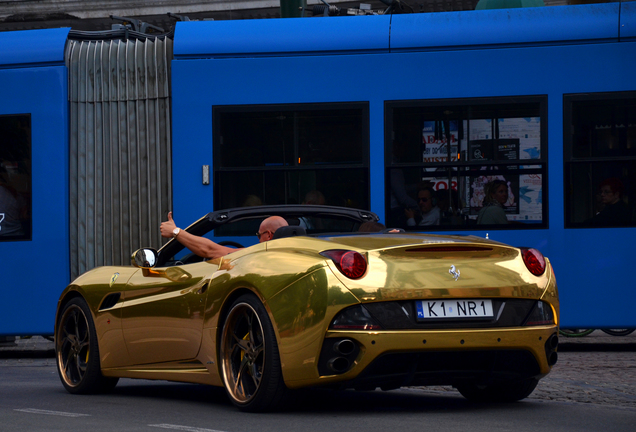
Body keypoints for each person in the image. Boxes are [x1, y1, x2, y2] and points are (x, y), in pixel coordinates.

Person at [160, 212, 288, 259]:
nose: (258, 241)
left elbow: (210, 250)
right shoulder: (301, 253)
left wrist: (175, 232)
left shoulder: (262, 254)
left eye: (259, 236)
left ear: (269, 235)